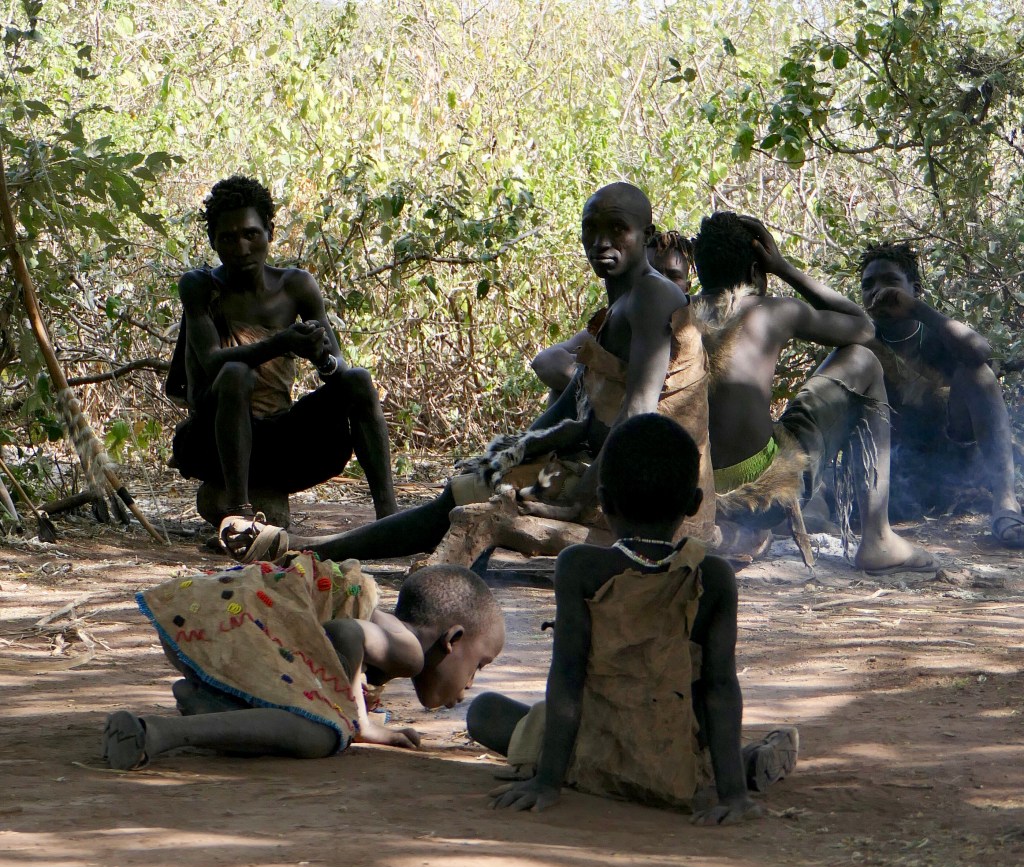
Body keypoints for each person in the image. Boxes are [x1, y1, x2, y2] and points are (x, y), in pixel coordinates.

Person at [221, 183, 716, 564]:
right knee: (470, 486)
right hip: (613, 470)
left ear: (646, 235)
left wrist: (580, 500)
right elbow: (580, 403)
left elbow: (639, 414)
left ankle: (307, 552)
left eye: (617, 229)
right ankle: (308, 550)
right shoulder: (619, 305)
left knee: (465, 504)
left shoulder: (653, 295)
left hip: (647, 490)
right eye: (591, 229)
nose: (601, 241)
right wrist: (510, 453)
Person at [468, 414, 787, 822]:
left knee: (485, 712)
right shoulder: (714, 576)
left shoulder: (579, 567)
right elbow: (720, 687)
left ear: (604, 501)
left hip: (594, 748)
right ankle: (740, 767)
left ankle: (576, 773)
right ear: (694, 503)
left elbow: (567, 676)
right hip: (677, 759)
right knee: (705, 730)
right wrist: (734, 797)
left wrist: (546, 782)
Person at [691, 211, 938, 574]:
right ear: (757, 271)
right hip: (765, 497)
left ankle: (730, 530)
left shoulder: (674, 315)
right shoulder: (773, 311)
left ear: (698, 268)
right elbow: (863, 328)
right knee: (864, 361)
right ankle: (879, 540)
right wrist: (785, 269)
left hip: (694, 496)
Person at [102, 563, 504, 769]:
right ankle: (155, 733)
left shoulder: (386, 635)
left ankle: (211, 702)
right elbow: (346, 633)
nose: (471, 683)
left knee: (306, 712)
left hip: (202, 620)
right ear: (452, 640)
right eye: (479, 666)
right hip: (231, 625)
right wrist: (360, 723)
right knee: (324, 733)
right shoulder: (409, 651)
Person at [168, 174, 398, 531]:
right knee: (234, 373)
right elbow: (212, 361)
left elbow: (336, 368)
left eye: (251, 234)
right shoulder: (199, 286)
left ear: (270, 232)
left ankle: (389, 518)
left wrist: (320, 355)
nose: (241, 247)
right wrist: (280, 343)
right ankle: (240, 515)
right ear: (213, 242)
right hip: (211, 443)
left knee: (358, 380)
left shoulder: (296, 286)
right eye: (227, 238)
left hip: (281, 444)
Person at [859, 242, 1023, 547]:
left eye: (891, 281)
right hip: (897, 478)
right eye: (868, 285)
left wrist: (916, 309)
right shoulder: (861, 343)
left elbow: (980, 352)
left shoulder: (939, 336)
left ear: (915, 289)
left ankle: (1005, 503)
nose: (879, 291)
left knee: (979, 374)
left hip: (956, 468)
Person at [531, 230, 694, 404]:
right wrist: (602, 385)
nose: (661, 283)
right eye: (655, 274)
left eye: (673, 276)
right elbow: (545, 362)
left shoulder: (696, 332)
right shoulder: (617, 322)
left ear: (687, 287)